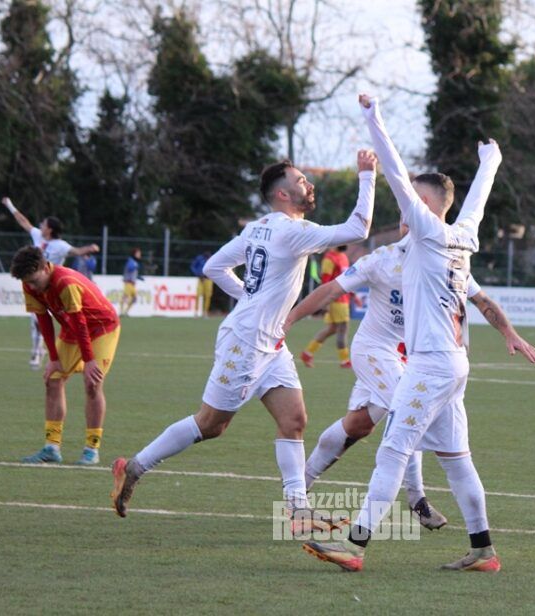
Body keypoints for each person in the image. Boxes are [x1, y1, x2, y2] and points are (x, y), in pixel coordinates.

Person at [302, 95, 535, 573]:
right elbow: (477, 200)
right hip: (455, 365)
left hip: (430, 364)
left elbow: (392, 167)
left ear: (426, 206)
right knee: (456, 459)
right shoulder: (464, 235)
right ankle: (483, 550)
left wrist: (373, 118)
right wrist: (490, 161)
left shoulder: (429, 234)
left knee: (392, 452)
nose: (403, 201)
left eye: (411, 196)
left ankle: (354, 546)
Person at [110, 150, 378, 534]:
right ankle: (134, 467)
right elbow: (359, 228)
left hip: (268, 340)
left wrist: (248, 298)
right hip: (247, 340)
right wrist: (367, 175)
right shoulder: (292, 231)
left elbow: (214, 267)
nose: (309, 184)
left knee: (294, 421)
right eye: (301, 180)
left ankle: (298, 512)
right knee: (211, 424)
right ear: (282, 194)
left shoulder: (257, 228)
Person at [283, 224, 535, 532]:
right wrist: (290, 318)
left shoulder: (444, 261)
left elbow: (481, 300)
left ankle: (300, 488)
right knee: (409, 415)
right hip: (374, 351)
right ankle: (417, 500)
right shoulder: (382, 259)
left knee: (358, 425)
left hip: (408, 358)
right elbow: (331, 289)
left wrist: (509, 332)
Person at [10, 245, 121, 466]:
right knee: (53, 380)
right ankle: (52, 448)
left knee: (92, 383)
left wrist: (89, 361)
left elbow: (81, 322)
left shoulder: (65, 282)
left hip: (102, 328)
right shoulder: (29, 283)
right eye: (28, 282)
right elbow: (43, 319)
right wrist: (53, 358)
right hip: (72, 330)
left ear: (44, 268)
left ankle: (91, 449)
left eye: (34, 281)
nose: (31, 286)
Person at [2, 197, 100, 368]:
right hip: (37, 288)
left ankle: (78, 350)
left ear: (50, 229)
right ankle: (37, 351)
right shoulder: (37, 235)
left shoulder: (61, 245)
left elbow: (76, 251)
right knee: (36, 320)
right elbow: (23, 222)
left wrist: (90, 248)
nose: (40, 225)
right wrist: (10, 205)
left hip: (55, 289)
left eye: (44, 224)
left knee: (69, 321)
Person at [299, 245, 353, 368]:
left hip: (343, 298)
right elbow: (325, 281)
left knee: (332, 328)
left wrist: (353, 295)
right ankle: (345, 360)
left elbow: (347, 279)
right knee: (343, 327)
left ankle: (308, 353)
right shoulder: (330, 258)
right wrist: (326, 301)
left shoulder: (343, 257)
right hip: (335, 299)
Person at [120, 248, 144, 317]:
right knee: (125, 297)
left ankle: (125, 312)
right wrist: (134, 266)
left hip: (133, 283)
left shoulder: (135, 262)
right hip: (128, 282)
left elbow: (133, 272)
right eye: (138, 253)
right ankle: (121, 312)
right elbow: (129, 268)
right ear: (134, 254)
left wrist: (138, 277)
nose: (139, 255)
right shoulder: (131, 261)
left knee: (134, 298)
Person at [190, 251, 213, 317]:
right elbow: (193, 266)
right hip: (200, 279)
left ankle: (205, 312)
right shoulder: (199, 258)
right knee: (198, 295)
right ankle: (196, 312)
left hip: (208, 279)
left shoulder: (212, 259)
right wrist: (198, 274)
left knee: (208, 296)